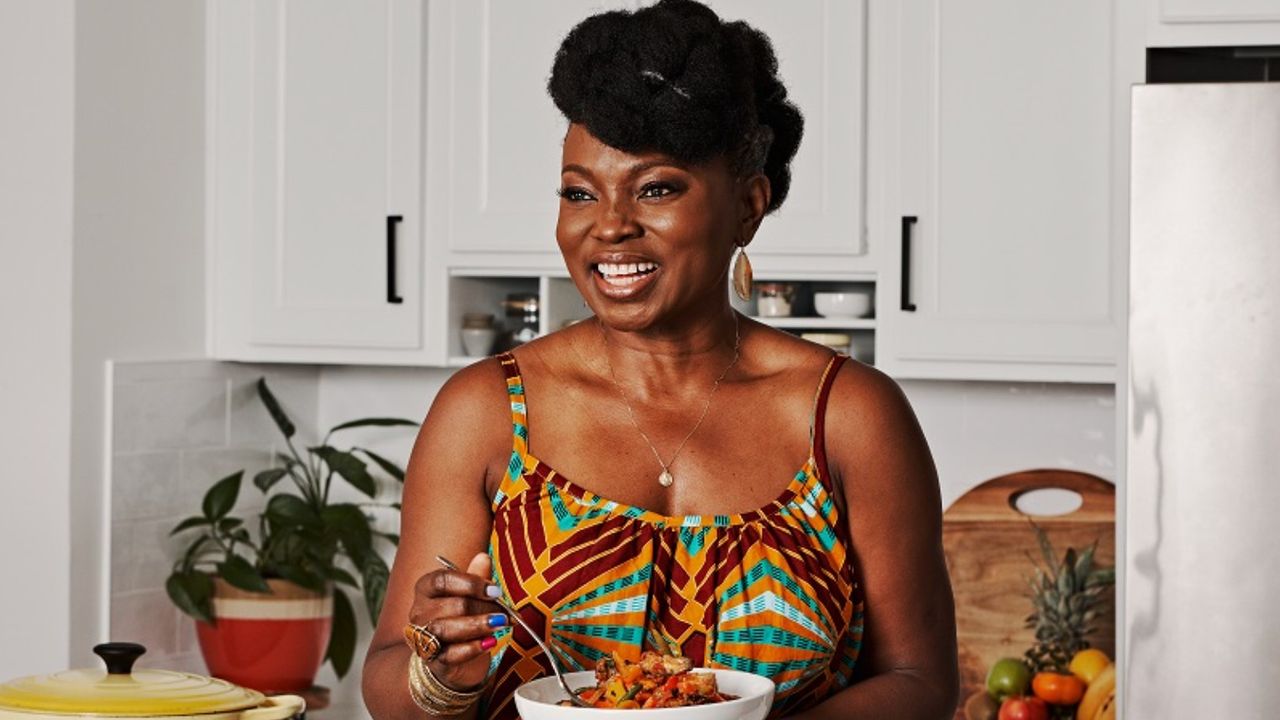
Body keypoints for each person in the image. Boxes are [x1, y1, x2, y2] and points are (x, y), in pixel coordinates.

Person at [363, 1, 957, 718]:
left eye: (657, 189)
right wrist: (441, 673)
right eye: (579, 192)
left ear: (747, 205)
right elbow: (389, 679)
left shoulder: (851, 414)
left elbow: (920, 682)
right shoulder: (485, 411)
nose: (610, 225)